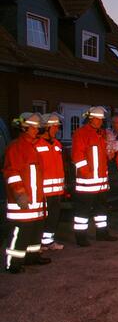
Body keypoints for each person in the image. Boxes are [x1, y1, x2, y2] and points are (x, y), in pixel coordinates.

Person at [4, 112, 51, 273]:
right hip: (22, 202)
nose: (37, 130)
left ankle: (32, 257)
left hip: (36, 201)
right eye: (33, 128)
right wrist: (19, 193)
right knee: (20, 233)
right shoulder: (16, 147)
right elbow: (11, 172)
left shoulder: (33, 146)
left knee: (35, 231)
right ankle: (13, 264)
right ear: (24, 128)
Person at [72, 106, 118, 246]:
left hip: (101, 182)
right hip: (87, 183)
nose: (100, 122)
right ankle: (80, 238)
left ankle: (102, 233)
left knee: (101, 210)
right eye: (97, 119)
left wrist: (110, 154)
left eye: (101, 120)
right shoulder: (81, 133)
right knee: (83, 212)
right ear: (90, 119)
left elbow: (103, 156)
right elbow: (77, 157)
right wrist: (87, 174)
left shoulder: (102, 134)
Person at [35, 113, 65, 251]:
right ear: (46, 128)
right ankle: (38, 243)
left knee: (53, 217)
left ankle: (48, 242)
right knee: (41, 219)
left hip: (56, 191)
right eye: (54, 127)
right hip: (42, 191)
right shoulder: (36, 144)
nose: (57, 129)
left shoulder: (57, 144)